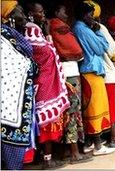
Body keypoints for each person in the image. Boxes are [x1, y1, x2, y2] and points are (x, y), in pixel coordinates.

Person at [25, 2, 70, 169]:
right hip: (43, 82)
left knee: (49, 121)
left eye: (43, 11)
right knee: (45, 122)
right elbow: (44, 53)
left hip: (47, 81)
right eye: (40, 11)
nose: (43, 14)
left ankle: (47, 157)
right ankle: (47, 160)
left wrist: (46, 31)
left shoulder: (38, 29)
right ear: (31, 13)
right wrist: (46, 33)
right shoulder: (31, 29)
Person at [84, 0, 115, 149]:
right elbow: (111, 50)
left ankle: (100, 140)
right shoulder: (100, 28)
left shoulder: (85, 29)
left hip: (99, 73)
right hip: (106, 73)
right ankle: (114, 139)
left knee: (99, 109)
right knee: (111, 108)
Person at [49, 4, 92, 164]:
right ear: (56, 12)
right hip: (69, 74)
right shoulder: (59, 27)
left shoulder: (55, 27)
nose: (66, 15)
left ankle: (67, 152)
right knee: (72, 112)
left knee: (69, 112)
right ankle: (74, 153)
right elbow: (76, 52)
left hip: (66, 73)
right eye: (63, 11)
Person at [73, 2, 114, 156]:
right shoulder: (82, 29)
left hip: (91, 71)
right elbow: (102, 48)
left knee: (92, 107)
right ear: (84, 15)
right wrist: (98, 31)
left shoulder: (80, 28)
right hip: (91, 71)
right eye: (90, 14)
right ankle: (97, 145)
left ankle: (90, 143)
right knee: (94, 108)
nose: (92, 17)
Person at [1, 1, 37, 169]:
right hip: (8, 102)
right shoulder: (4, 35)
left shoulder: (11, 33)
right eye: (19, 12)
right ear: (9, 16)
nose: (23, 16)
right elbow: (11, 64)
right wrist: (30, 66)